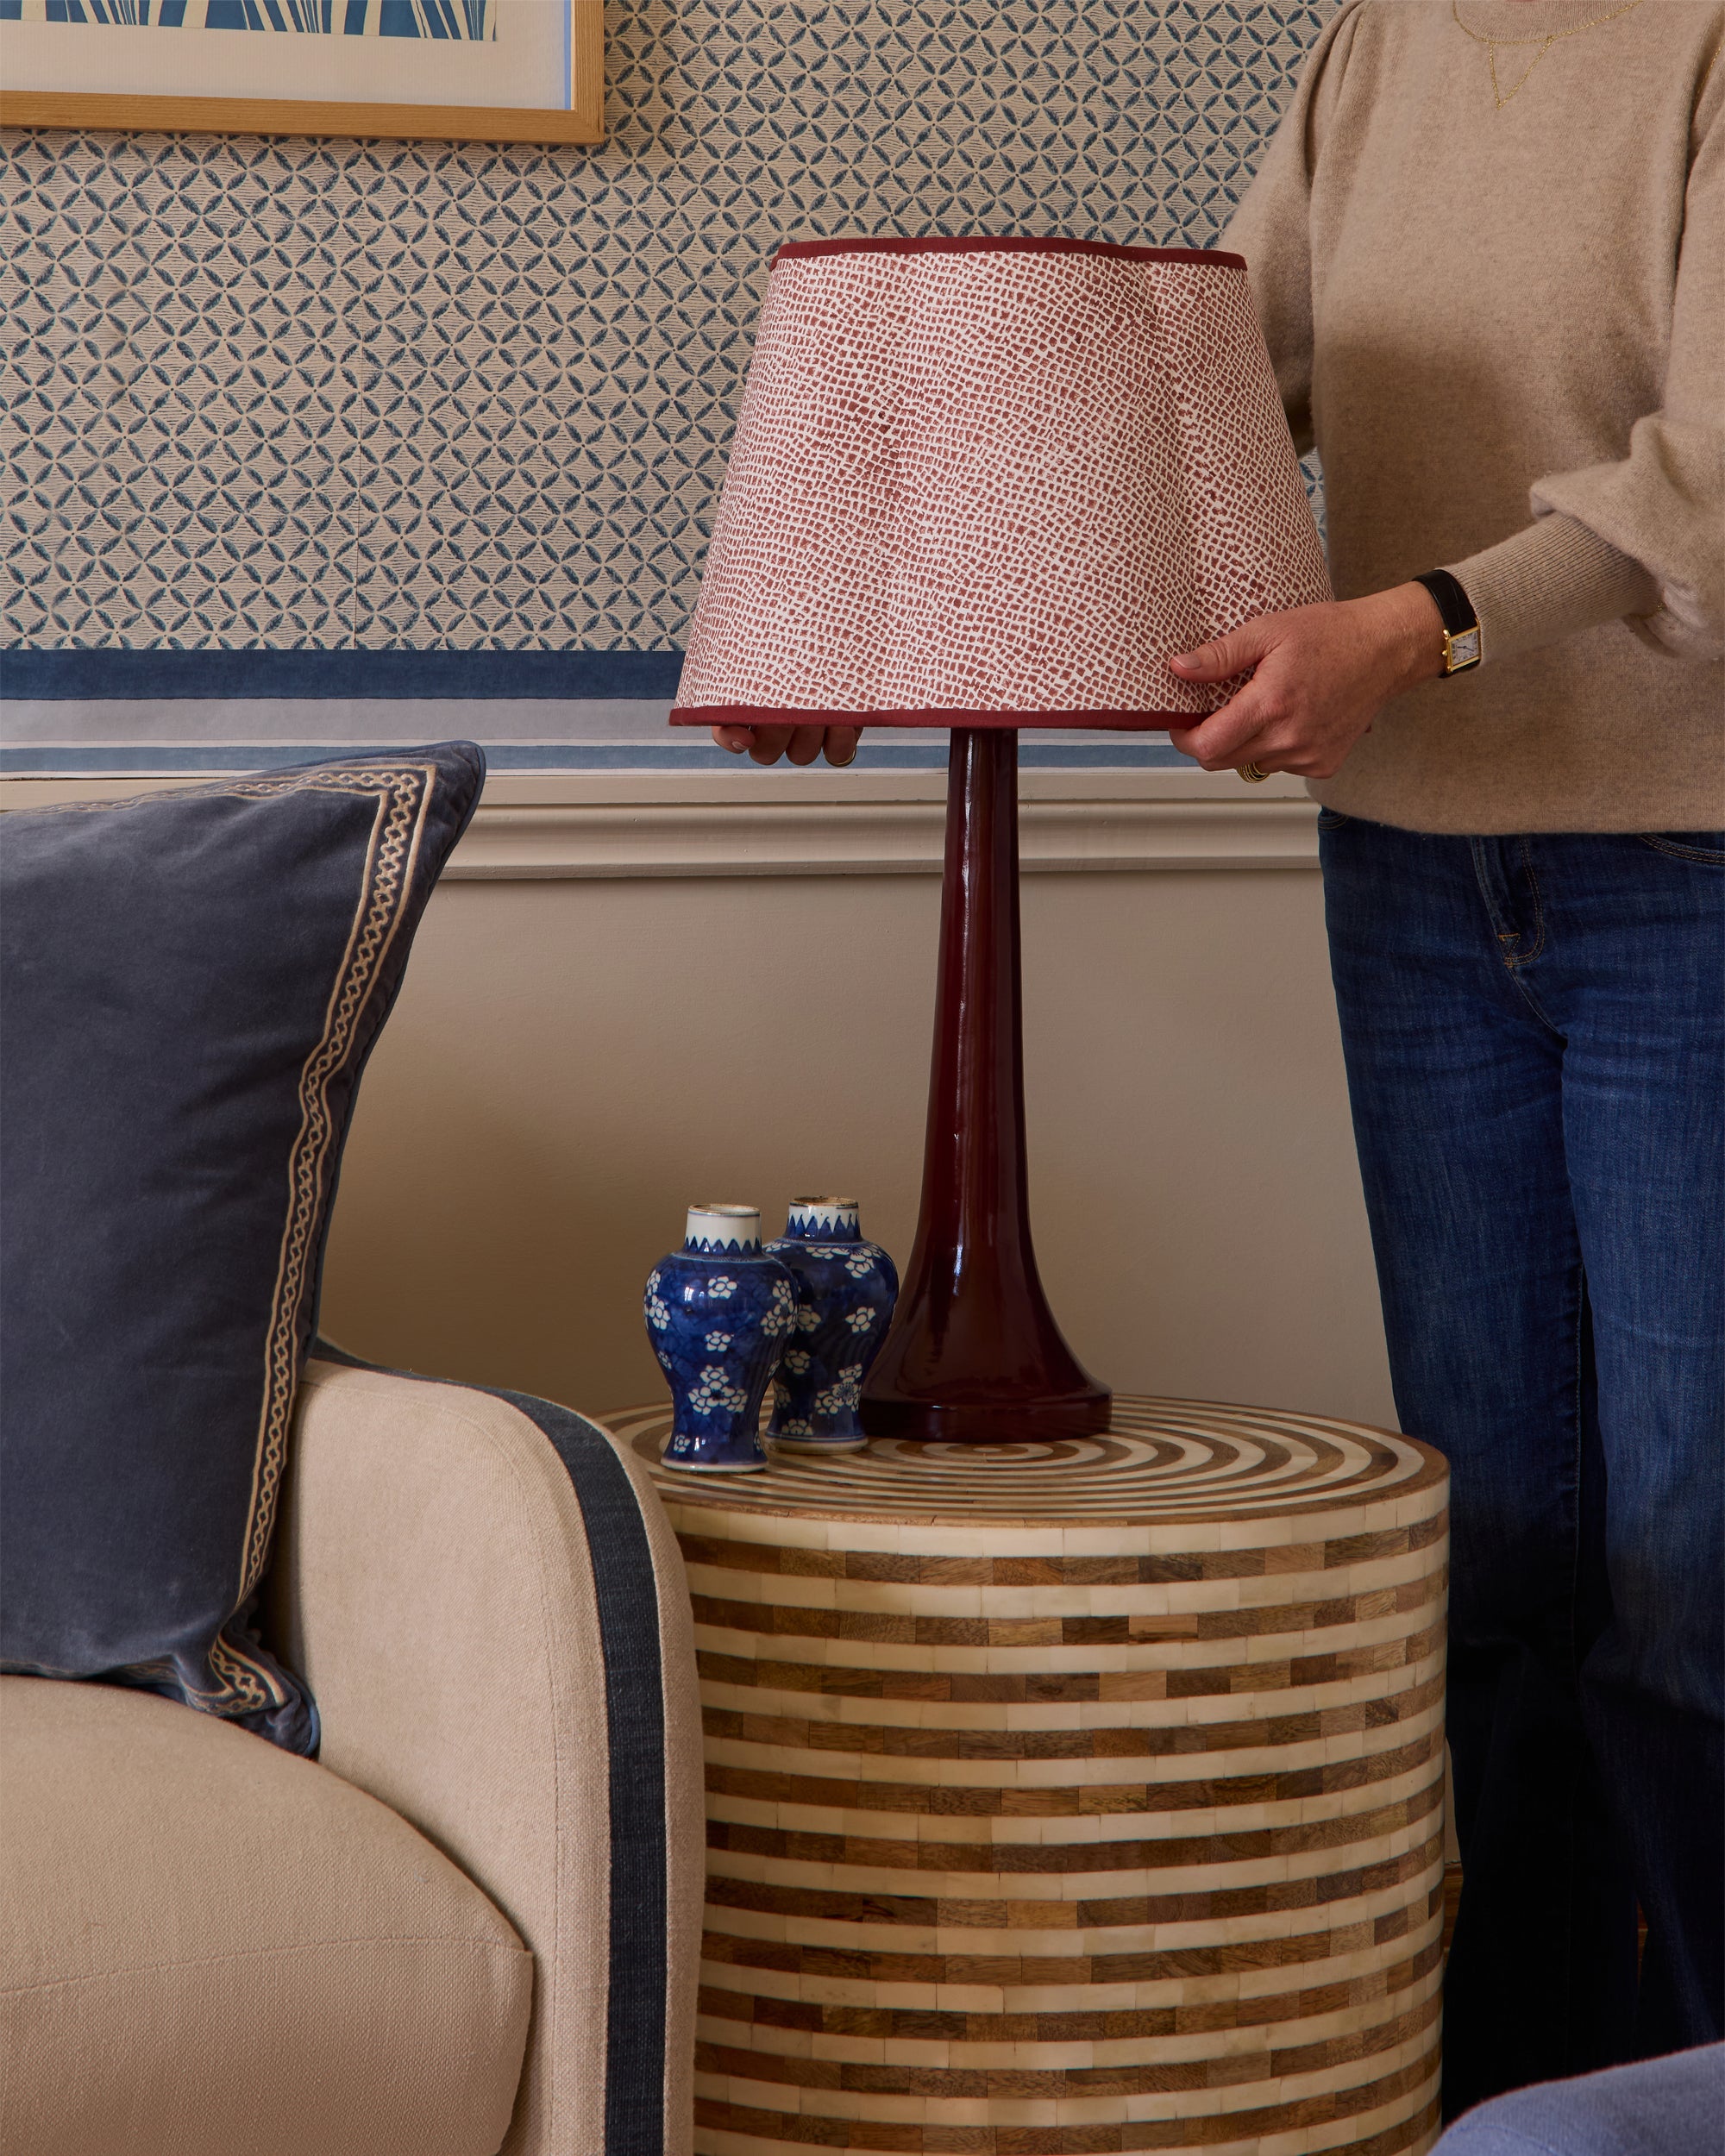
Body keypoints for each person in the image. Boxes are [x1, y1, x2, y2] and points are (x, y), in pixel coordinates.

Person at [712, 0, 1723, 2120]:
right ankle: (1524, 2107)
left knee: (1690, 1585)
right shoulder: (1382, 43)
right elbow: (1200, 366)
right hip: (1417, 872)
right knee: (1500, 1566)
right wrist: (863, 611)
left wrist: (1412, 622)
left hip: (1687, 874)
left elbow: (1707, 490)